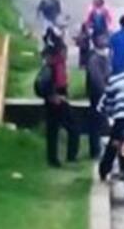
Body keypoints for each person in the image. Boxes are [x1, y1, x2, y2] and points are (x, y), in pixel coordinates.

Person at [39, 30, 79, 167]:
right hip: (57, 98)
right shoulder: (55, 64)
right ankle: (71, 156)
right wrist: (54, 95)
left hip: (55, 98)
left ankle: (53, 159)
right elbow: (54, 82)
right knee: (73, 127)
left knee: (53, 131)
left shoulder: (51, 62)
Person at [85, 34, 111, 159]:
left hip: (102, 95)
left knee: (100, 123)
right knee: (96, 123)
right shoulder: (94, 59)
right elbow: (96, 80)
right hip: (97, 96)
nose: (105, 42)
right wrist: (104, 91)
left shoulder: (104, 57)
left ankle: (98, 149)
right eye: (102, 39)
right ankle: (95, 151)